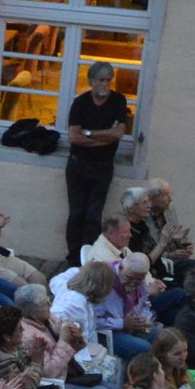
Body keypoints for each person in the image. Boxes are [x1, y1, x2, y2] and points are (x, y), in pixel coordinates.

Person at [62, 64, 127, 266]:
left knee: (93, 215)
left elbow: (118, 133)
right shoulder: (80, 103)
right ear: (91, 81)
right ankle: (73, 258)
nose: (105, 84)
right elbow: (74, 137)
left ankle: (89, 258)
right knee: (76, 214)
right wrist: (104, 136)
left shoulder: (118, 101)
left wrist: (89, 133)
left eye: (109, 79)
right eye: (101, 79)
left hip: (102, 166)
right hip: (78, 166)